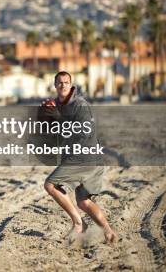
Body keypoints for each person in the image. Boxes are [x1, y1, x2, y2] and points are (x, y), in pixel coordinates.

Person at [41, 71, 118, 244]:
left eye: (66, 82)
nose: (63, 85)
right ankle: (109, 232)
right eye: (59, 83)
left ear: (71, 84)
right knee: (83, 202)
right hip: (87, 158)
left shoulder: (79, 105)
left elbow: (83, 132)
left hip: (84, 156)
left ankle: (78, 223)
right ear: (55, 85)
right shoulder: (58, 105)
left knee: (50, 185)